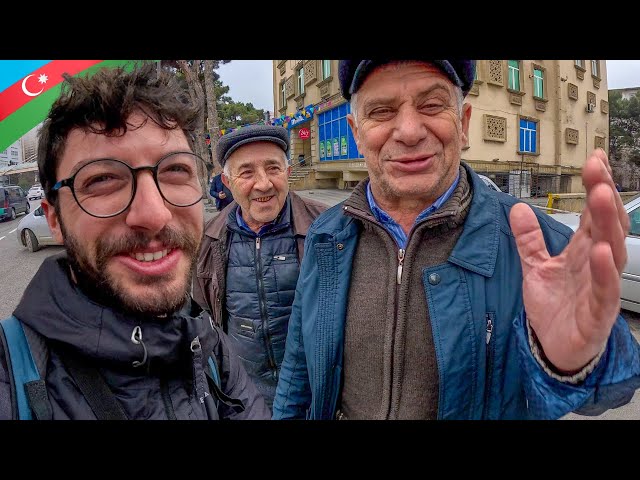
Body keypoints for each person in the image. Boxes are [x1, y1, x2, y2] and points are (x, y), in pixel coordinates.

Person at [273, 59, 640, 420]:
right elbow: (298, 371)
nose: (410, 131)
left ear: (463, 124)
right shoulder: (326, 234)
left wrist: (574, 363)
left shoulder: (533, 243)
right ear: (356, 132)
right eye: (382, 111)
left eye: (431, 105)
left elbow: (614, 391)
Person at [0, 62, 270, 420]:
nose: (153, 213)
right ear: (54, 219)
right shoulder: (11, 374)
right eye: (101, 180)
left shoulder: (209, 344)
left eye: (175, 170)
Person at [193, 124, 327, 410]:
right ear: (227, 183)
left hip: (317, 394)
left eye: (273, 169)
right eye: (247, 172)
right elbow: (203, 319)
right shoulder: (209, 238)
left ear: (288, 174)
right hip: (245, 398)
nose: (263, 184)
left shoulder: (329, 227)